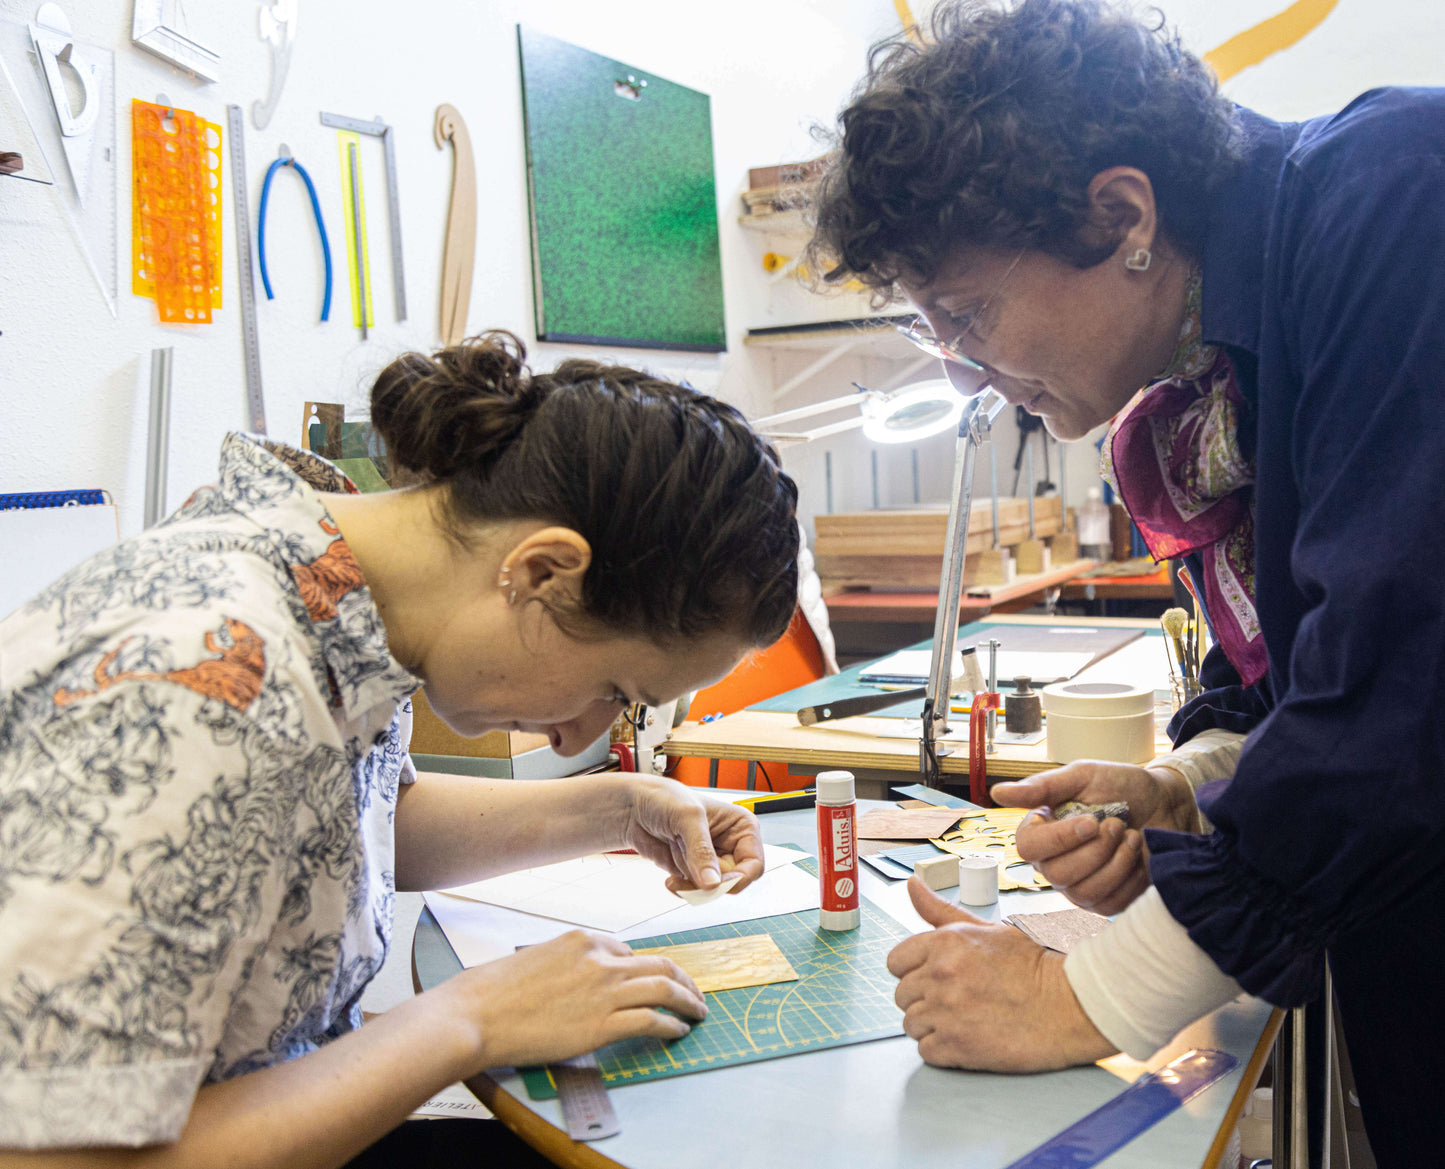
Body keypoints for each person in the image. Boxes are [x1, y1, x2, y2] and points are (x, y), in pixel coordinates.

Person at [807, 0, 1445, 1161]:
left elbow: (1403, 689)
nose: (968, 374)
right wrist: (1189, 784)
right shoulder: (1210, 388)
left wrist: (1079, 997)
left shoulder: (1398, 198)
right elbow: (1307, 669)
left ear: (1121, 214)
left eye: (965, 315)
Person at [0, 331, 801, 1167]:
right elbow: (47, 1157)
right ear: (541, 574)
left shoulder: (324, 587)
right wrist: (465, 1018)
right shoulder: (202, 682)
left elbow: (342, 831)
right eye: (616, 691)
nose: (585, 735)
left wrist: (617, 808)